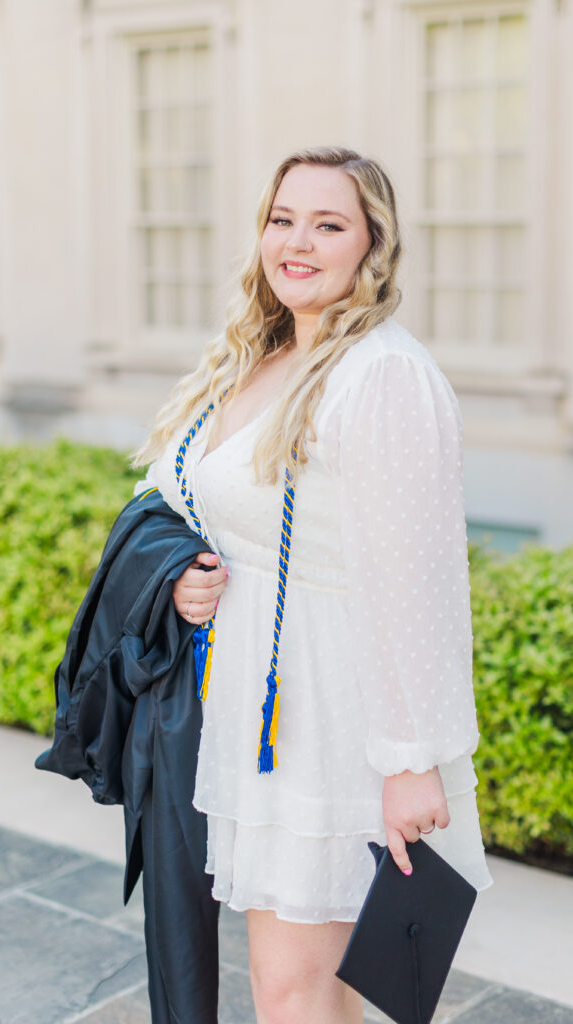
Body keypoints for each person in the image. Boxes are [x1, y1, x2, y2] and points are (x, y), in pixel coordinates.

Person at [132, 145, 493, 1024]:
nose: (297, 242)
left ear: (372, 243)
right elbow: (194, 503)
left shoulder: (382, 375)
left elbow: (419, 582)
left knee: (296, 987)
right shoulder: (258, 355)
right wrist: (184, 578)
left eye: (327, 224)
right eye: (281, 219)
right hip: (255, 692)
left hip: (333, 711)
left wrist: (411, 763)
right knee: (296, 984)